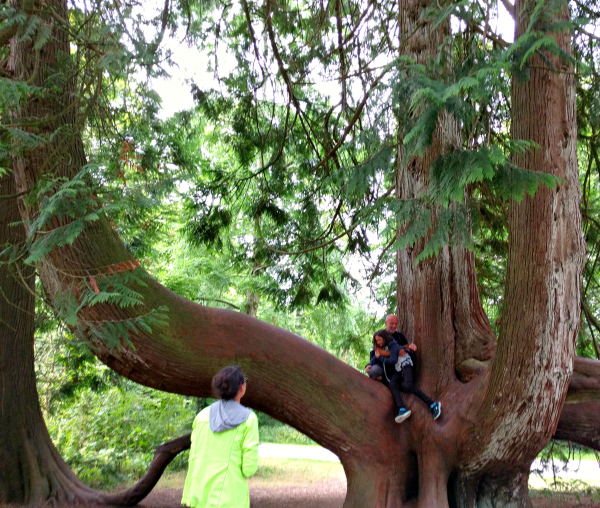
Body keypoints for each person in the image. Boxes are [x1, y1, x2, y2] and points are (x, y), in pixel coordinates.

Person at [181, 366, 259, 508]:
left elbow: (193, 459)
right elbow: (249, 469)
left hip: (198, 496)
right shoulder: (249, 419)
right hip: (230, 499)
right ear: (241, 388)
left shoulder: (202, 416)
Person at [366, 317, 442, 424]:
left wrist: (382, 357)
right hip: (397, 368)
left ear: (384, 339)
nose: (377, 343)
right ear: (386, 323)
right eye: (391, 323)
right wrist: (369, 364)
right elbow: (376, 355)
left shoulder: (393, 343)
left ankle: (432, 405)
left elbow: (393, 358)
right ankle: (402, 409)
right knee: (392, 384)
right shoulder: (383, 342)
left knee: (408, 385)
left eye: (379, 340)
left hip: (405, 365)